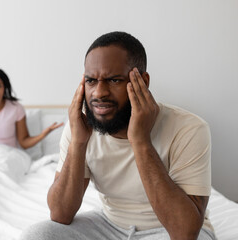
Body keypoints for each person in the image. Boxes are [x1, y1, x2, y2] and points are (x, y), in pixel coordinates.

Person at [20, 32, 216, 240]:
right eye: (91, 81)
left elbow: (185, 232)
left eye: (113, 80)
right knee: (37, 235)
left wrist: (140, 141)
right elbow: (60, 213)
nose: (99, 93)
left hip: (167, 232)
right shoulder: (80, 127)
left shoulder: (188, 128)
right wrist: (78, 142)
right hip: (109, 225)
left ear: (143, 81)